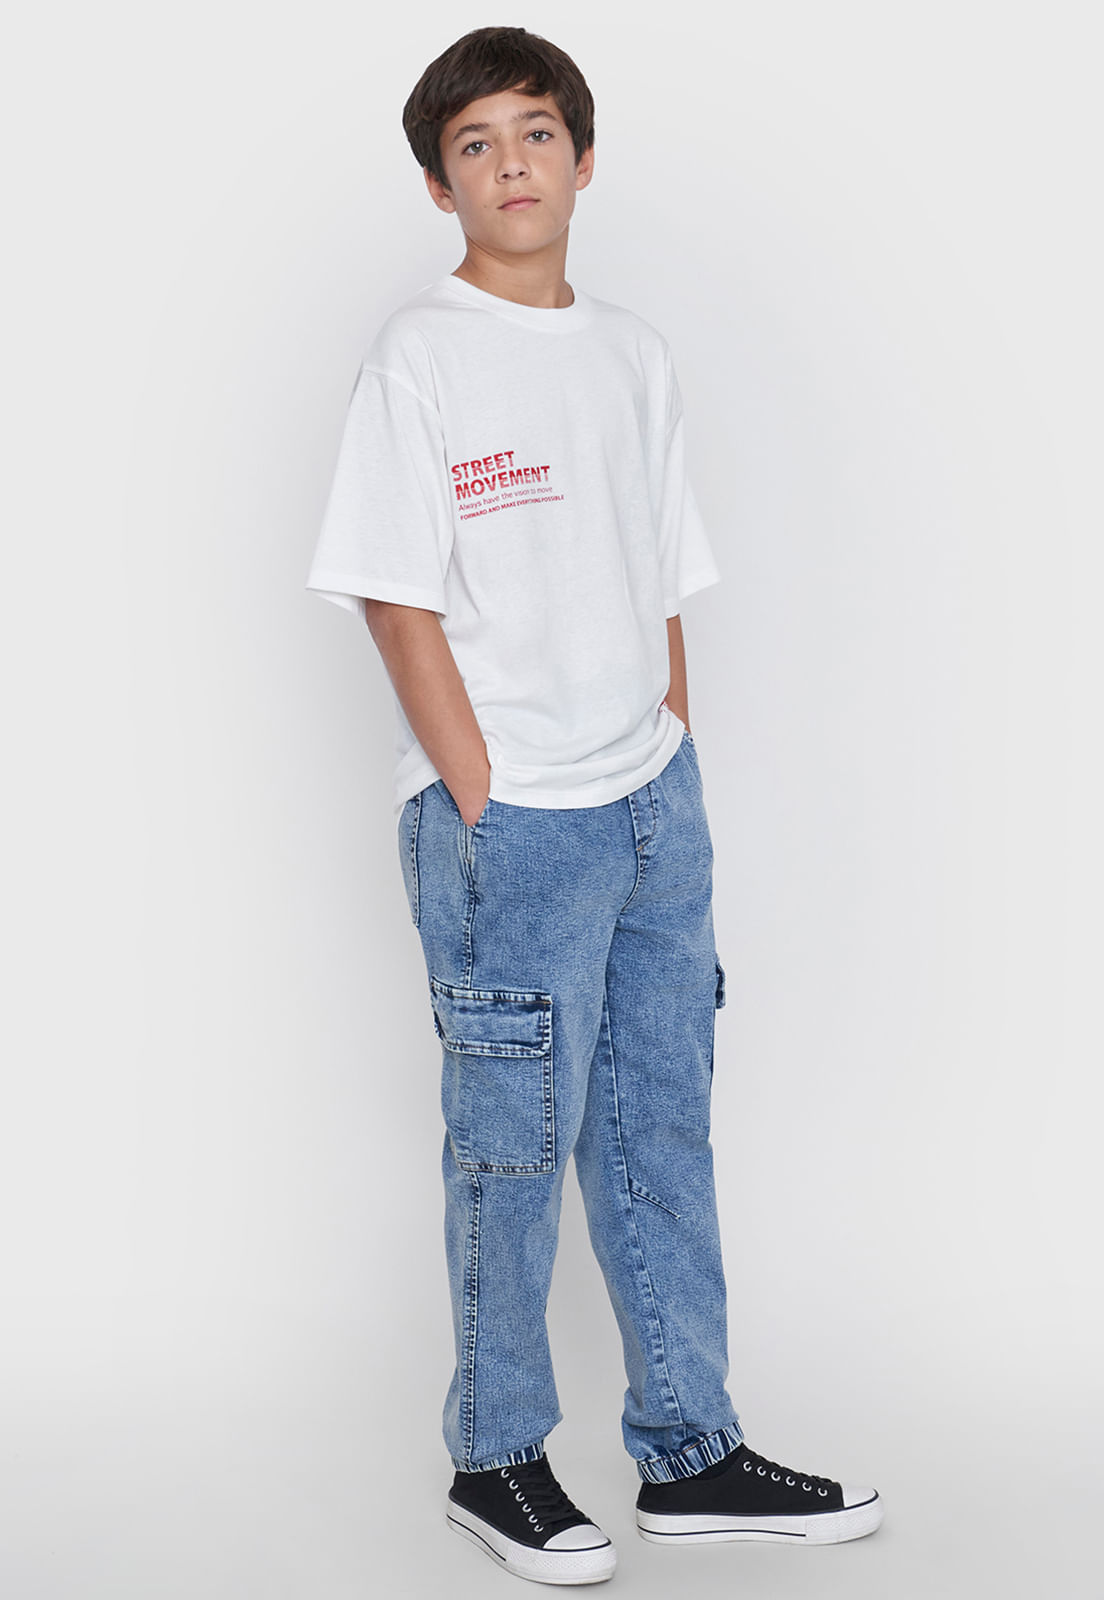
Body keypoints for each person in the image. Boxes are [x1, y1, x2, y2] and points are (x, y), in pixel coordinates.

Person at [305, 24, 883, 1588]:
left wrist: (667, 745)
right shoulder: (420, 355)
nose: (512, 163)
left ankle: (692, 1455)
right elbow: (393, 595)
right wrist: (484, 795)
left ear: (583, 157)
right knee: (509, 1149)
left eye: (537, 132)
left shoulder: (633, 354)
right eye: (476, 143)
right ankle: (495, 1458)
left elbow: (659, 569)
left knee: (658, 1133)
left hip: (650, 805)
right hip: (514, 827)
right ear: (440, 185)